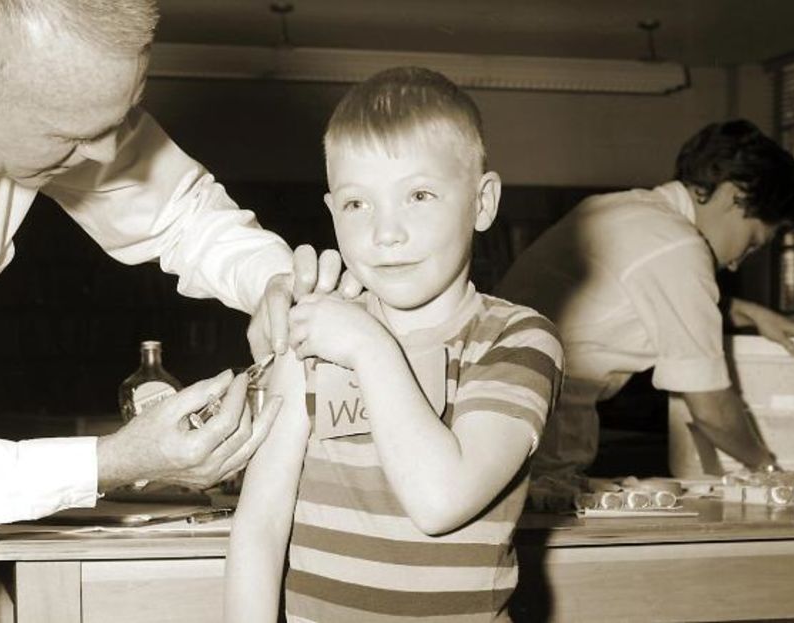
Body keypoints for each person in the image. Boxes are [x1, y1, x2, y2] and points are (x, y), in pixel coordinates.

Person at [0, 1, 345, 619]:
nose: (103, 157)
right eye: (70, 137)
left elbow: (174, 211)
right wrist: (113, 461)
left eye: (117, 119)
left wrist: (271, 280)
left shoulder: (26, 82)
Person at [224, 66, 564, 622]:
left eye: (419, 195)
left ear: (482, 203)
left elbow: (440, 500)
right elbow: (259, 527)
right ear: (333, 214)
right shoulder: (315, 336)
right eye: (359, 204)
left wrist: (370, 346)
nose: (386, 233)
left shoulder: (516, 340)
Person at [495, 119, 794, 508]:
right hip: (521, 450)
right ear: (735, 196)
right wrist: (768, 470)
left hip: (505, 432)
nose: (735, 265)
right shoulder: (677, 247)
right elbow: (710, 406)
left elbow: (626, 295)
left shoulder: (621, 209)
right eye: (751, 242)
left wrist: (743, 312)